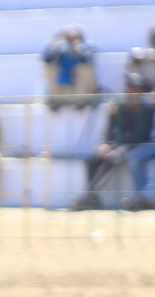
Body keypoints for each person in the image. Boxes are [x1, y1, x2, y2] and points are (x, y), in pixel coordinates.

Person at [73, 73, 153, 210]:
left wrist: (121, 148)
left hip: (133, 147)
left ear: (140, 90)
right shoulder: (119, 108)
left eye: (134, 88)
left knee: (111, 159)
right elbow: (111, 131)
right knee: (93, 158)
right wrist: (105, 144)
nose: (130, 90)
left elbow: (142, 137)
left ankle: (89, 195)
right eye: (129, 87)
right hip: (116, 145)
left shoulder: (146, 111)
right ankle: (93, 198)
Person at [41, 25, 97, 110]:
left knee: (84, 68)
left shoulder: (86, 47)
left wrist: (78, 44)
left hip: (79, 89)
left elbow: (87, 59)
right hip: (62, 88)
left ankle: (81, 100)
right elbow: (46, 59)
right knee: (50, 67)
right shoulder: (60, 50)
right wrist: (55, 39)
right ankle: (55, 99)